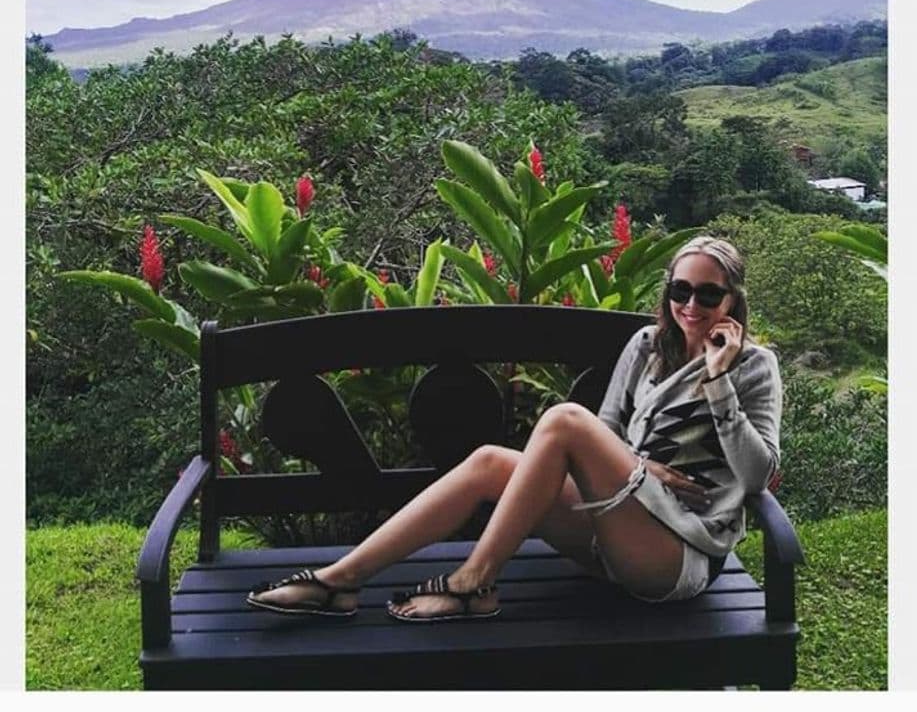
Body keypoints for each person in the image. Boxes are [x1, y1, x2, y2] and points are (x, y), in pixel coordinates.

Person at [246, 235, 782, 621]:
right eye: (680, 291)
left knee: (564, 420)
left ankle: (472, 584)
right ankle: (339, 581)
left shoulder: (755, 368)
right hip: (617, 524)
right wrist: (638, 468)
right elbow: (609, 429)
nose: (691, 305)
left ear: (732, 300)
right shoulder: (646, 347)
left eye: (708, 295)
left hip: (674, 556)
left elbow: (757, 477)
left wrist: (717, 385)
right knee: (489, 461)